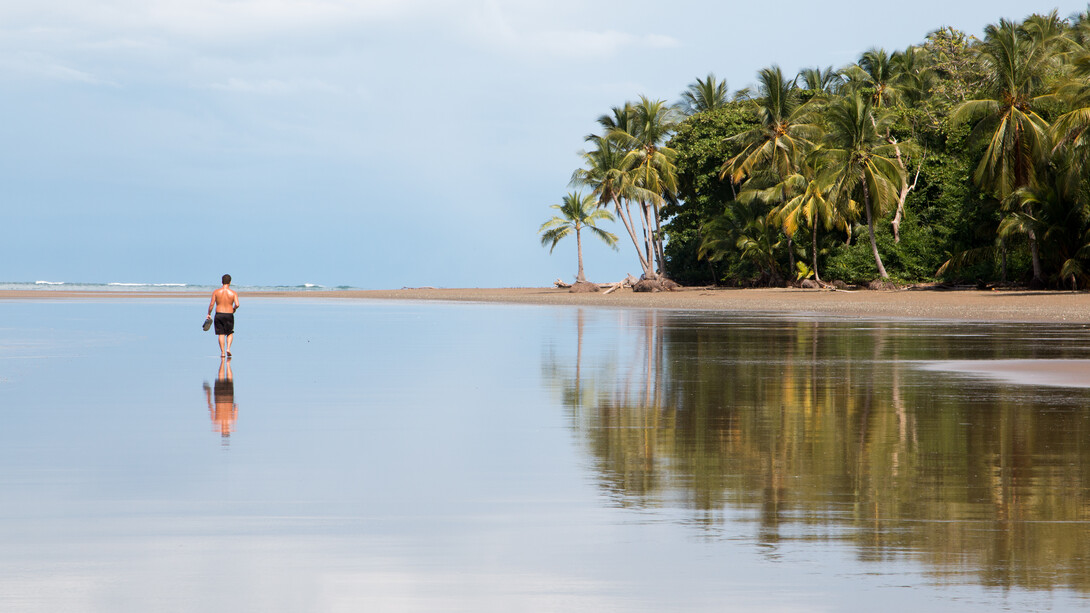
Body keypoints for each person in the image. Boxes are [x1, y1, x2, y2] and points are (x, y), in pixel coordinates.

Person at [206, 274, 240, 358]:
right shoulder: (233, 293)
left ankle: (222, 352)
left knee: (221, 334)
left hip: (219, 314)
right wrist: (234, 308)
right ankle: (228, 348)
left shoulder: (216, 292)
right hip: (229, 314)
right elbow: (237, 304)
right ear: (230, 282)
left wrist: (209, 313)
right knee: (230, 333)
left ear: (222, 282)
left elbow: (211, 304)